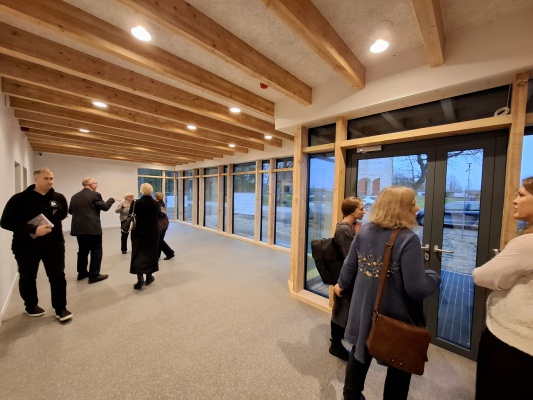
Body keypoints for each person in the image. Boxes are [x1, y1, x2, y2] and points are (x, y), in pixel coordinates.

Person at [334, 186, 441, 400]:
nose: (417, 208)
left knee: (359, 352)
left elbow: (349, 266)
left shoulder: (364, 230)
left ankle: (351, 395)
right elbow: (417, 289)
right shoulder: (407, 239)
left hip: (364, 309)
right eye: (413, 204)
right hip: (393, 315)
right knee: (398, 366)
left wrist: (340, 285)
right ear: (400, 208)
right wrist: (434, 276)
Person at [473, 177, 533, 400]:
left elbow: (482, 276)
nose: (515, 200)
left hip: (512, 343)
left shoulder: (527, 243)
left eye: (522, 195)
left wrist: (506, 278)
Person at [0, 168, 72, 322]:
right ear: (36, 179)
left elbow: (62, 214)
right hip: (26, 246)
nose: (50, 181)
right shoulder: (19, 199)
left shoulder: (59, 198)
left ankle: (61, 308)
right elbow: (5, 222)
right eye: (46, 178)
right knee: (28, 276)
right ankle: (31, 305)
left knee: (58, 276)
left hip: (54, 244)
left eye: (51, 178)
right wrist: (33, 229)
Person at [329, 196, 365, 361]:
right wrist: (357, 236)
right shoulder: (345, 229)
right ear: (351, 211)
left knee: (344, 308)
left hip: (348, 276)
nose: (364, 212)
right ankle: (335, 345)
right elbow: (351, 256)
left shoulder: (349, 227)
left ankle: (340, 336)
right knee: (341, 309)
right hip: (345, 276)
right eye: (361, 209)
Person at [69, 177, 115, 284]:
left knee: (82, 251)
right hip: (92, 228)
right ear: (91, 185)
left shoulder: (75, 196)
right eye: (96, 183)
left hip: (78, 228)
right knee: (96, 251)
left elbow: (70, 211)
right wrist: (111, 200)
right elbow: (105, 207)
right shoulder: (95, 195)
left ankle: (82, 273)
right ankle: (94, 275)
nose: (97, 185)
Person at [130, 183, 160, 290]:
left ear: (141, 191)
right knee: (151, 254)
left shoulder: (135, 203)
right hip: (153, 232)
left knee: (137, 253)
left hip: (138, 232)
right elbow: (158, 216)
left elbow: (131, 215)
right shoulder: (156, 204)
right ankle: (149, 277)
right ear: (152, 191)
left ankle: (140, 278)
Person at [154, 192, 175, 260]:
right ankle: (158, 255)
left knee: (159, 240)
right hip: (164, 223)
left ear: (156, 197)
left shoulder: (157, 204)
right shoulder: (162, 203)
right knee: (159, 240)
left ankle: (170, 253)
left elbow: (161, 214)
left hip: (160, 224)